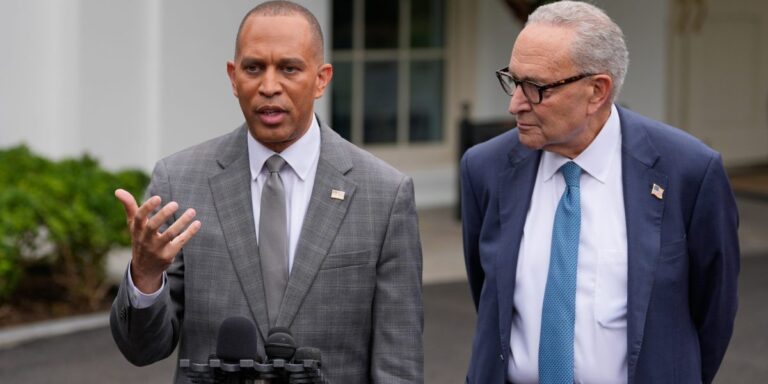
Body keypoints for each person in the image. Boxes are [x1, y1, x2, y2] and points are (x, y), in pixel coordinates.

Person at [110, 2, 424, 383]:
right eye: (254, 68)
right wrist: (144, 277)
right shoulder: (179, 182)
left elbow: (399, 364)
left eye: (289, 68)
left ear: (322, 79)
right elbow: (142, 349)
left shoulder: (385, 194)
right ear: (233, 76)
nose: (269, 86)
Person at [460, 2, 739, 383]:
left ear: (597, 91)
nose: (515, 104)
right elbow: (489, 296)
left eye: (536, 88)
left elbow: (714, 311)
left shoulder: (689, 171)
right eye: (513, 80)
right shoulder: (485, 168)